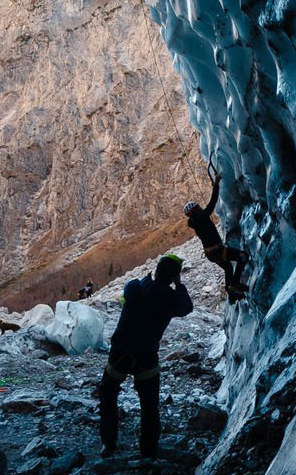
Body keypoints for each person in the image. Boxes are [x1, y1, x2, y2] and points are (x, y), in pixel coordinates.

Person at [98, 254, 193, 458]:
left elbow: (132, 289)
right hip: (146, 355)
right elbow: (188, 307)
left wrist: (149, 278)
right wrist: (179, 285)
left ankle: (108, 442)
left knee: (108, 393)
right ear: (173, 277)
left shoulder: (134, 287)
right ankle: (148, 448)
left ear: (156, 271)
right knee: (149, 403)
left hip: (120, 351)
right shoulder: (171, 299)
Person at [185, 170, 249, 302]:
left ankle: (231, 294)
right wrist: (217, 183)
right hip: (218, 251)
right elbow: (213, 202)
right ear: (194, 211)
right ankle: (234, 285)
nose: (200, 207)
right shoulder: (201, 217)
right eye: (197, 207)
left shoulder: (195, 222)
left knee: (228, 268)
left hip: (212, 254)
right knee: (242, 257)